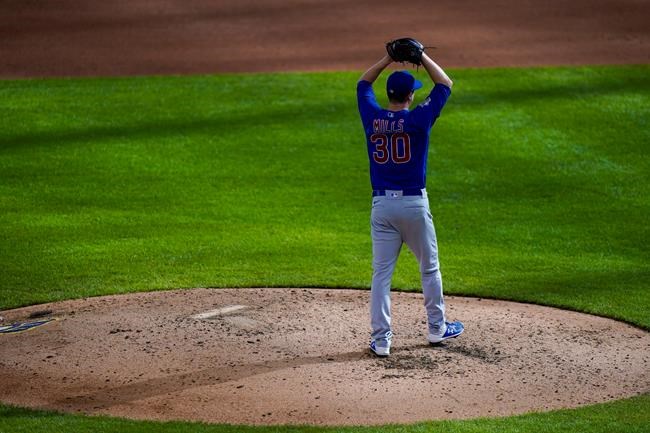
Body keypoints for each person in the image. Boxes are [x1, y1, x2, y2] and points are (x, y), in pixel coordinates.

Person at [357, 49, 464, 357]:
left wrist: (387, 59)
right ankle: (436, 328)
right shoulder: (418, 119)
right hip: (415, 205)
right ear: (409, 96)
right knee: (429, 268)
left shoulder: (373, 117)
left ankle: (381, 340)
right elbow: (445, 83)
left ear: (390, 94)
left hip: (382, 208)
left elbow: (363, 84)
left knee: (381, 274)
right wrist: (422, 56)